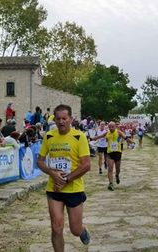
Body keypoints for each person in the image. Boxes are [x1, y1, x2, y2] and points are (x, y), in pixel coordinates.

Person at [37, 104, 91, 251]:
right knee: (56, 227)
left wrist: (66, 179)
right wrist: (52, 174)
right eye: (58, 119)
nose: (61, 122)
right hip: (54, 189)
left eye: (64, 118)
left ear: (71, 119)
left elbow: (86, 165)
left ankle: (82, 231)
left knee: (75, 229)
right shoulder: (49, 136)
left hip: (74, 188)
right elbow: (40, 161)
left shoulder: (79, 137)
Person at [92, 121, 134, 191]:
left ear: (115, 127)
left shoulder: (118, 132)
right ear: (108, 127)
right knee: (110, 169)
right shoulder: (107, 133)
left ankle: (117, 175)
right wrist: (92, 138)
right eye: (110, 127)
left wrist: (131, 142)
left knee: (118, 169)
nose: (111, 128)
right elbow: (99, 136)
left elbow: (126, 138)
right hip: (110, 153)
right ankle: (110, 184)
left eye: (112, 127)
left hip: (117, 152)